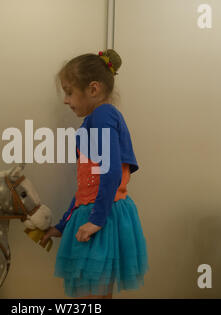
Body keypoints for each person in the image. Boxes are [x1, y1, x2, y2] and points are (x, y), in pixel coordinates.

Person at [40, 49, 149, 299]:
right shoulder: (96, 119)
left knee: (90, 298)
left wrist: (97, 219)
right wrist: (63, 223)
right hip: (97, 211)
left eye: (69, 92)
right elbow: (87, 186)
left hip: (102, 216)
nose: (66, 100)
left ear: (93, 89)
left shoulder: (102, 115)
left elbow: (110, 172)